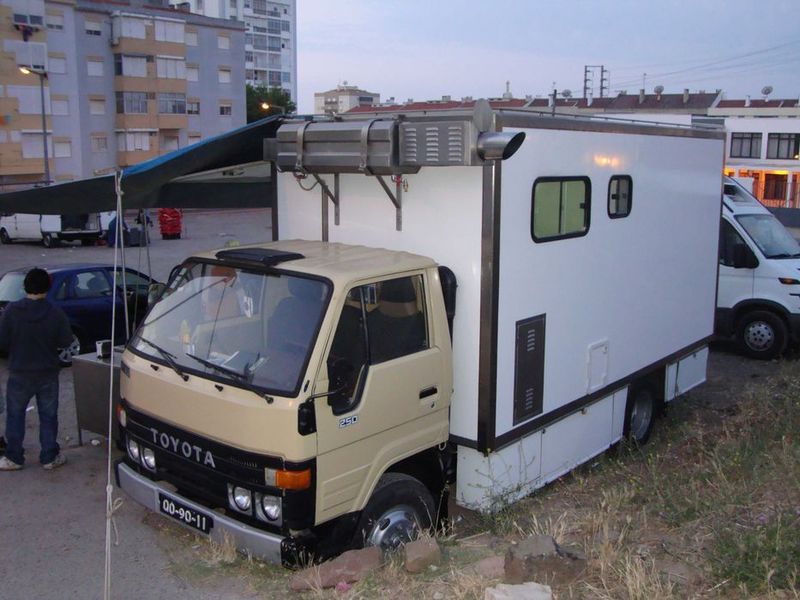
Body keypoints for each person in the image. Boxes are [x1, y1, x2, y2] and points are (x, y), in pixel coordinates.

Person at [0, 267, 73, 471]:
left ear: (25, 287)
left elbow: (2, 342)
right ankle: (49, 456)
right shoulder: (55, 313)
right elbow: (66, 341)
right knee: (48, 416)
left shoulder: (12, 311)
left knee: (15, 415)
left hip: (19, 372)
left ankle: (14, 457)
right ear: (48, 288)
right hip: (48, 372)